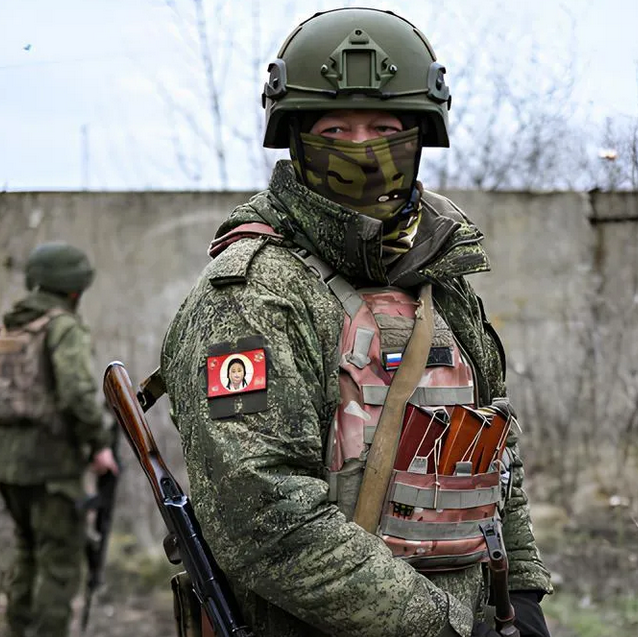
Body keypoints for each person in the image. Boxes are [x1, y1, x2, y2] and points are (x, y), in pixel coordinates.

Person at [159, 8, 552, 637]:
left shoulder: (437, 278)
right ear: (296, 137)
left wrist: (522, 591)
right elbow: (267, 519)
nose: (362, 149)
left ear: (418, 137)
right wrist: (444, 627)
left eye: (384, 129)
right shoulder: (253, 294)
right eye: (336, 128)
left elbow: (493, 450)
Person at [0, 241, 118, 637]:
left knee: (28, 554)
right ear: (73, 289)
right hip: (52, 469)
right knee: (59, 566)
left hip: (6, 466)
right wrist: (99, 444)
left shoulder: (8, 327)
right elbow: (77, 392)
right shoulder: (63, 327)